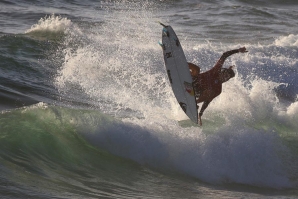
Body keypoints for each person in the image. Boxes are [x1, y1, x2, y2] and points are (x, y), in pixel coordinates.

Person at [188, 47, 248, 126]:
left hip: (195, 93)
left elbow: (207, 101)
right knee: (197, 69)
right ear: (222, 72)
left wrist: (200, 114)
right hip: (191, 81)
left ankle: (194, 103)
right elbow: (224, 55)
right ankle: (181, 65)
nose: (225, 77)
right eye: (225, 74)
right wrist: (237, 50)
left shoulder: (218, 90)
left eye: (227, 77)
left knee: (210, 92)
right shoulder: (215, 71)